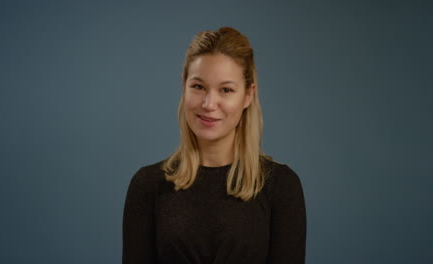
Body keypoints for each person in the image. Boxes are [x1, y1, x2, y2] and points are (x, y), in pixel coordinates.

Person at [122, 26, 306, 264]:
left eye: (226, 90)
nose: (209, 104)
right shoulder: (147, 186)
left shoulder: (281, 186)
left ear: (248, 95)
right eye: (198, 86)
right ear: (184, 87)